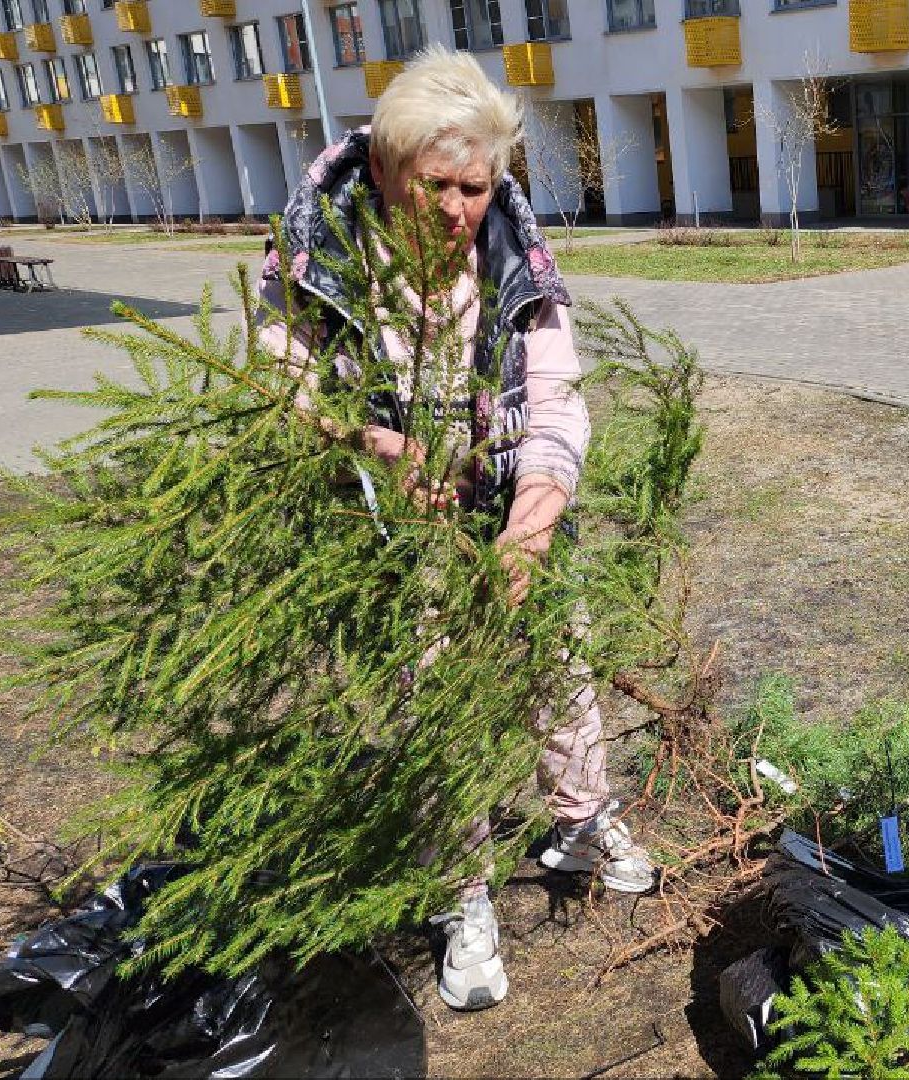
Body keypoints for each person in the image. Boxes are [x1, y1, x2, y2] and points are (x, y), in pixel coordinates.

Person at [254, 46, 656, 1013]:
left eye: (474, 187)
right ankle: (461, 893)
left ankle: (579, 817)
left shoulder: (518, 254)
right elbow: (276, 385)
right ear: (388, 172)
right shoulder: (323, 254)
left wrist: (527, 531)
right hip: (393, 528)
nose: (454, 211)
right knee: (427, 694)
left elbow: (559, 404)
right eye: (434, 186)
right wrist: (366, 440)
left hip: (511, 502)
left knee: (557, 663)